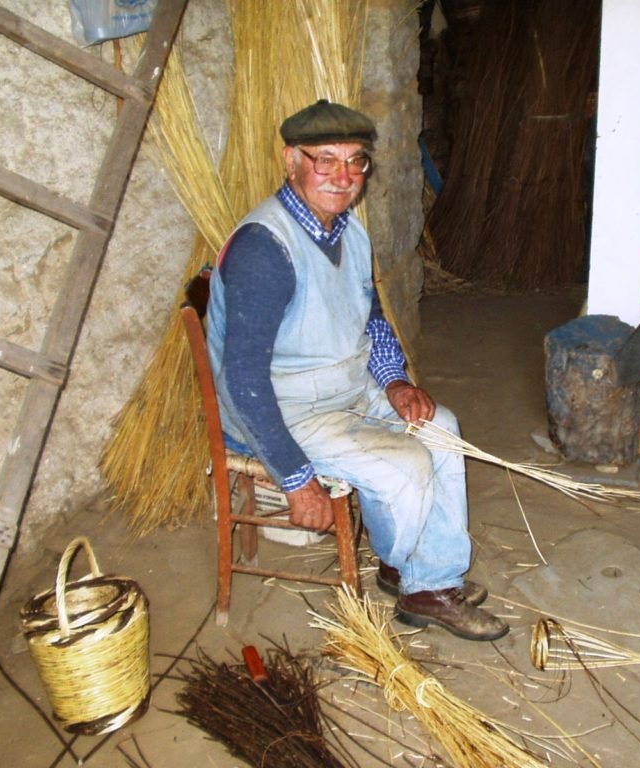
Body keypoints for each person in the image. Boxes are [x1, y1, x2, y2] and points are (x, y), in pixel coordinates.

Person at [206, 99, 508, 642]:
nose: (343, 176)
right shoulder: (265, 249)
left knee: (441, 430)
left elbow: (369, 317)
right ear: (290, 161)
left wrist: (394, 380)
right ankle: (415, 573)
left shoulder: (349, 230)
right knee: (405, 467)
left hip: (344, 385)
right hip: (280, 406)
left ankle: (424, 580)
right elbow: (242, 380)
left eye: (355, 161)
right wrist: (297, 480)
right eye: (325, 160)